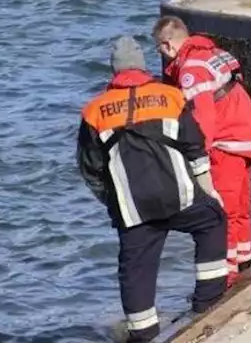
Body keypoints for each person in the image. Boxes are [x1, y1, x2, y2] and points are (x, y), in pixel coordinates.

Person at [77, 36, 228, 343]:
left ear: (113, 72)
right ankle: (208, 303)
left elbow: (90, 169)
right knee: (213, 221)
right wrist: (208, 191)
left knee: (135, 269)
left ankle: (144, 333)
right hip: (180, 197)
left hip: (133, 208)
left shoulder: (94, 111)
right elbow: (195, 147)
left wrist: (113, 202)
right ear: (143, 67)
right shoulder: (170, 96)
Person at [152, 15, 251, 285]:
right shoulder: (215, 53)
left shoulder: (191, 70)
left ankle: (226, 278)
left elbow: (203, 117)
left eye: (160, 51)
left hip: (225, 143)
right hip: (244, 135)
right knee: (240, 210)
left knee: (221, 213)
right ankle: (244, 263)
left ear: (167, 46)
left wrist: (197, 156)